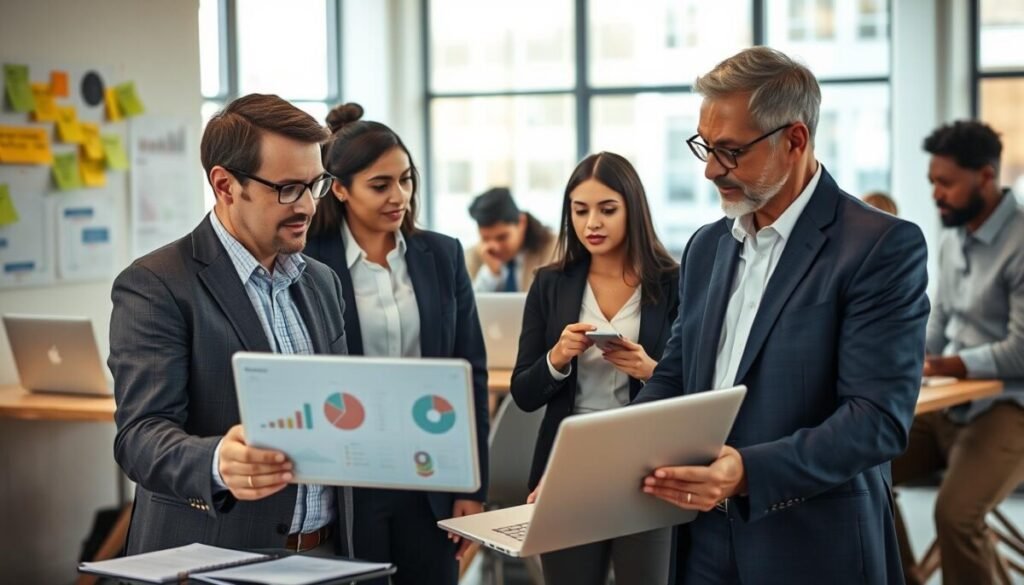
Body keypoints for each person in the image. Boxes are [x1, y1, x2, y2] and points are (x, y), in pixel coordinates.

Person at [633, 47, 930, 584]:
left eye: (730, 152)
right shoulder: (706, 247)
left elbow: (876, 420)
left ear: (795, 140)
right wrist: (593, 470)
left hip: (813, 544)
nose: (709, 170)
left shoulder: (880, 246)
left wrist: (747, 472)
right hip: (699, 539)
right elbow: (676, 376)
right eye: (705, 146)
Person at [109, 94, 352, 555]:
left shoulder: (322, 282)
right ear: (224, 185)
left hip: (326, 556)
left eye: (314, 184)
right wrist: (219, 461)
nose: (307, 206)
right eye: (287, 189)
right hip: (214, 558)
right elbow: (140, 436)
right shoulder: (155, 285)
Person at [304, 102, 489, 585]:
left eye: (406, 180)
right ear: (339, 189)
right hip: (350, 475)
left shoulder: (441, 255)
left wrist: (473, 483)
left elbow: (470, 371)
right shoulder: (309, 262)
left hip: (431, 472)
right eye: (381, 185)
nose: (400, 196)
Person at [511, 151, 680, 585]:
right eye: (580, 210)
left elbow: (698, 389)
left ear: (633, 210)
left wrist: (649, 370)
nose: (592, 224)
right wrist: (557, 358)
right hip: (569, 462)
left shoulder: (674, 282)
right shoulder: (550, 283)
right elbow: (524, 394)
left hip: (648, 462)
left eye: (607, 210)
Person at [892, 120, 1024, 584]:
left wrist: (946, 364)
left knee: (956, 515)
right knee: (865, 464)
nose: (936, 194)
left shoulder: (1021, 242)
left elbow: (1021, 350)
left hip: (1009, 406)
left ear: (986, 176)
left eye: (945, 183)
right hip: (953, 404)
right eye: (932, 182)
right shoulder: (951, 240)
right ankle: (904, 576)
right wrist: (904, 356)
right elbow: (938, 322)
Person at [466, 187, 557, 292]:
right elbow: (469, 305)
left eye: (502, 237)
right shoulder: (472, 257)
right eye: (485, 238)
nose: (494, 246)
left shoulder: (554, 250)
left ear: (522, 223)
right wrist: (491, 274)